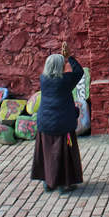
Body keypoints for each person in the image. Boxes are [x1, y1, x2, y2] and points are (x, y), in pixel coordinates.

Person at [32, 42, 84, 194]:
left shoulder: (44, 80)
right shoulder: (65, 81)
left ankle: (49, 182)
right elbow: (79, 72)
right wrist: (69, 58)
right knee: (63, 154)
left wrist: (64, 58)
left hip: (46, 123)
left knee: (48, 154)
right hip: (62, 123)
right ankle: (63, 183)